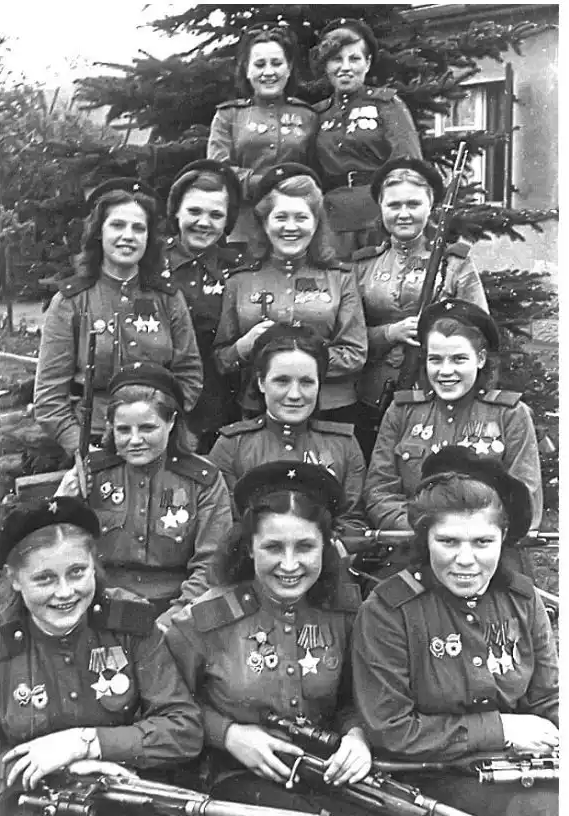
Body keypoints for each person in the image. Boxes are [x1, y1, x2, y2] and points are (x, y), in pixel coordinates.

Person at [157, 462, 388, 816]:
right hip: (230, 772)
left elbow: (354, 699)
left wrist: (357, 736)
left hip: (320, 767)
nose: (289, 564)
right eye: (273, 548)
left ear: (326, 548)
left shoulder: (344, 612)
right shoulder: (204, 621)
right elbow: (166, 708)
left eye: (305, 547)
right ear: (249, 548)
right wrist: (228, 734)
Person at [353, 447, 558, 816]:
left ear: (503, 539)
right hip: (430, 779)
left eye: (483, 542)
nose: (466, 559)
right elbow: (391, 729)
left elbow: (549, 698)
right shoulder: (389, 610)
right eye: (448, 542)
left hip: (523, 769)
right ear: (424, 538)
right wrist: (501, 729)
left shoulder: (522, 599)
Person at [0, 496, 204, 816]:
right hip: (32, 793)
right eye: (44, 579)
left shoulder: (129, 622)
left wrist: (89, 744)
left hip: (123, 776)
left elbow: (184, 728)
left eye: (78, 572)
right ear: (14, 578)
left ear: (94, 565)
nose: (65, 592)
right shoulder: (1, 641)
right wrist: (65, 767)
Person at [34, 178, 203, 457]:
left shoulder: (169, 298)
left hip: (160, 440)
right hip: (94, 441)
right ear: (98, 233)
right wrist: (82, 449)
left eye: (139, 228)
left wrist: (161, 426)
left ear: (149, 238)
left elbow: (189, 375)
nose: (128, 236)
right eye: (117, 225)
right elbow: (48, 398)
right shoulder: (70, 302)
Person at [55, 362, 232, 615]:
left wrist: (175, 618)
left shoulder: (202, 481)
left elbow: (211, 564)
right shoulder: (92, 474)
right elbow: (61, 551)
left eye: (148, 428)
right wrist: (63, 501)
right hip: (101, 605)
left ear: (171, 422)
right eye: (123, 430)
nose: (135, 440)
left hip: (178, 608)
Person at [364, 299, 543, 538]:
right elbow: (379, 492)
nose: (446, 371)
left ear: (480, 359)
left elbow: (525, 500)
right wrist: (427, 530)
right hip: (412, 541)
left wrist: (466, 533)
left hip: (486, 546)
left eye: (459, 359)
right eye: (435, 359)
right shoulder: (401, 412)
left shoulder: (510, 414)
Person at [353, 157, 489, 459]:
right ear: (381, 207)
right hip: (372, 397)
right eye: (393, 205)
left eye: (414, 204)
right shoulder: (363, 265)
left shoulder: (454, 264)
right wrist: (390, 333)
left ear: (431, 207)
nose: (404, 214)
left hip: (439, 393)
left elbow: (481, 334)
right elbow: (348, 336)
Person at [212, 163, 367, 423]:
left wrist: (301, 361)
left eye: (301, 218)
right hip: (259, 410)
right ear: (264, 223)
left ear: (316, 223)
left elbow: (355, 353)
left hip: (331, 411)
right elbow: (221, 359)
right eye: (281, 217)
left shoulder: (340, 278)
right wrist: (242, 347)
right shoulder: (239, 281)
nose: (291, 227)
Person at [210, 323, 369, 538]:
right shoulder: (232, 446)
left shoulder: (343, 445)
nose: (295, 394)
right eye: (282, 381)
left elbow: (353, 522)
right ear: (261, 382)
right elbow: (223, 526)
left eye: (306, 382)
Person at [311, 19, 422, 258]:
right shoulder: (318, 115)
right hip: (332, 219)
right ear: (326, 65)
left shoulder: (387, 105)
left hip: (377, 215)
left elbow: (408, 162)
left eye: (354, 59)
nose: (345, 67)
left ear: (368, 62)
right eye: (336, 59)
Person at [207, 23, 318, 245]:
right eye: (259, 64)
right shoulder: (229, 115)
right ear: (247, 70)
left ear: (289, 68)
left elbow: (317, 171)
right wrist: (265, 182)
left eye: (276, 63)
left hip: (294, 221)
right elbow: (219, 170)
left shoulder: (308, 116)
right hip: (244, 224)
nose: (268, 72)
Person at [164, 160, 245, 451]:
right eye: (194, 211)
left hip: (224, 400)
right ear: (176, 210)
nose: (204, 223)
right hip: (165, 399)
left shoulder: (240, 268)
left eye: (216, 215)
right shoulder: (150, 263)